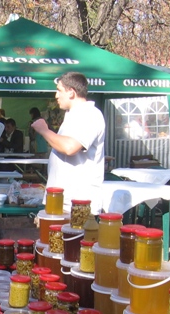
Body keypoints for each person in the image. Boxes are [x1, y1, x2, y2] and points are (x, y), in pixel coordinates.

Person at [31, 72, 106, 214]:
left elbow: (70, 147)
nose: (56, 95)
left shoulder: (90, 114)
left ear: (71, 92)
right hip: (63, 201)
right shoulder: (74, 115)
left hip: (78, 204)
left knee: (75, 237)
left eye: (59, 90)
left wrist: (44, 130)